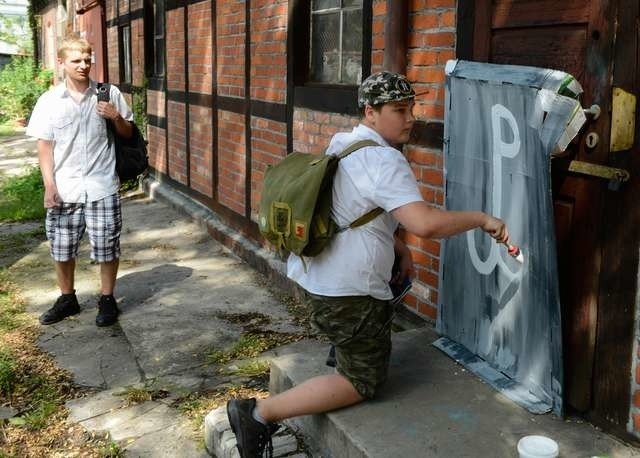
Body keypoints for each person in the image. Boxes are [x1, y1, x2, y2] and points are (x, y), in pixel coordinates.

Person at [226, 71, 511, 457]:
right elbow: (425, 224)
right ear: (370, 111)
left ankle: (343, 344)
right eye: (398, 109)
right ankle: (258, 413)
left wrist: (400, 248)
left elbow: (352, 209)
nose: (410, 118)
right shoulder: (383, 160)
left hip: (318, 279)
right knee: (362, 381)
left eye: (411, 108)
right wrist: (482, 219)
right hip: (347, 292)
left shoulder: (344, 144)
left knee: (365, 329)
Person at [26, 35, 133, 327]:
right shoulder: (49, 102)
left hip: (102, 186)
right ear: (61, 63)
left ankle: (107, 299)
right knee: (61, 247)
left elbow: (128, 134)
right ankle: (67, 299)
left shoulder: (107, 93)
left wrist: (115, 117)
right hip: (66, 188)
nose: (84, 65)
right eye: (76, 60)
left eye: (88, 59)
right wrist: (49, 185)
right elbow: (45, 147)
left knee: (108, 247)